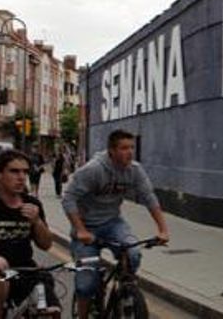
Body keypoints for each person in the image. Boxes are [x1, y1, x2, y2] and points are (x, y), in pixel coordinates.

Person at [61, 129, 170, 318]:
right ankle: (83, 315)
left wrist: (163, 230)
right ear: (111, 151)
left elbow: (149, 197)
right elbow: (68, 199)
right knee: (86, 284)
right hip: (86, 228)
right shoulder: (93, 170)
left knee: (133, 254)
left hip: (113, 223)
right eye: (124, 148)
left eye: (132, 148)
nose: (130, 152)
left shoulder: (134, 170)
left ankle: (125, 292)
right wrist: (80, 230)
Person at [0, 150, 60, 319]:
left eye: (25, 172)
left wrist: (37, 222)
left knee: (51, 312)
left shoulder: (32, 204)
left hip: (25, 270)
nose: (22, 177)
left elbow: (46, 244)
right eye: (14, 171)